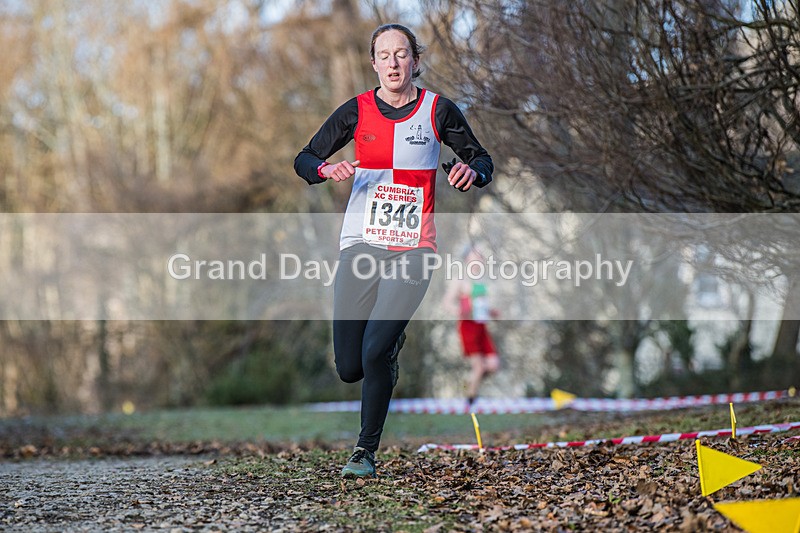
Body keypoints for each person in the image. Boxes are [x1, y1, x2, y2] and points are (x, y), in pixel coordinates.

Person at [294, 23, 493, 478]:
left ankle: (364, 451)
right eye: (384, 55)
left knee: (373, 350)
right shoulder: (356, 111)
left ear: (415, 62)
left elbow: (482, 160)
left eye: (401, 54)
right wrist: (326, 168)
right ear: (374, 63)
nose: (393, 63)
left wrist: (471, 173)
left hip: (413, 248)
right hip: (361, 243)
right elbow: (303, 159)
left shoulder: (438, 111)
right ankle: (387, 349)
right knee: (349, 365)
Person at [445, 245, 500, 409]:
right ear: (467, 259)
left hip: (482, 327)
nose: (479, 259)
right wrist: (459, 310)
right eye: (475, 255)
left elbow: (481, 306)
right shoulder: (460, 279)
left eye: (480, 256)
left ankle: (469, 384)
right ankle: (469, 404)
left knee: (493, 364)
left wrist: (492, 312)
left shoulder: (483, 280)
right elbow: (447, 302)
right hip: (468, 326)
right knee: (478, 367)